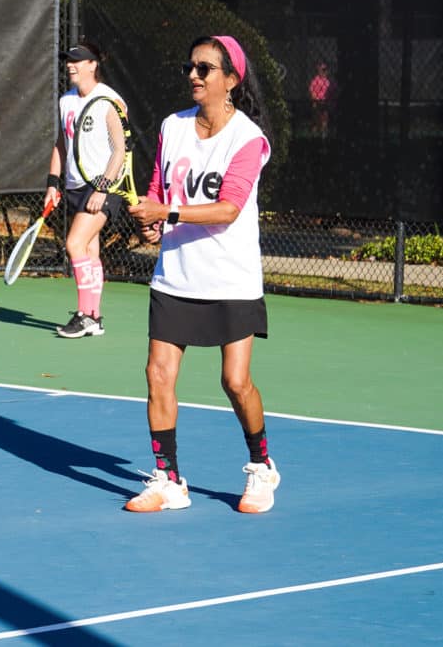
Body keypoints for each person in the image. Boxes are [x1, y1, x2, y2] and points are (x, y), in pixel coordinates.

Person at [123, 35, 279, 514]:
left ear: (230, 80)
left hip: (231, 278)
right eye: (190, 66)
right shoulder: (173, 127)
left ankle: (262, 466)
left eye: (204, 68)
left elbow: (229, 208)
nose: (193, 75)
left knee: (235, 381)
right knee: (158, 374)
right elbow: (158, 189)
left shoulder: (248, 138)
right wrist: (152, 221)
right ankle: (169, 480)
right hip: (175, 276)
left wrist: (166, 212)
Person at [43, 41, 132, 339]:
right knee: (90, 251)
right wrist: (53, 183)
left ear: (93, 64)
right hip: (74, 185)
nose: (71, 65)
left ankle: (84, 315)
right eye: (68, 60)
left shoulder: (110, 100)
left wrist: (103, 188)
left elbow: (120, 150)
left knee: (74, 244)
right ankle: (94, 316)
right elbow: (61, 143)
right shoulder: (65, 101)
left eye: (78, 60)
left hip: (105, 186)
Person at [308, 61, 332, 137]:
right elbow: (312, 92)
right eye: (323, 70)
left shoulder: (327, 81)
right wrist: (315, 102)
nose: (325, 72)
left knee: (324, 119)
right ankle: (314, 136)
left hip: (325, 102)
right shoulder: (315, 80)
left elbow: (329, 93)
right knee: (316, 121)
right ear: (319, 70)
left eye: (326, 70)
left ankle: (323, 136)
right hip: (317, 102)